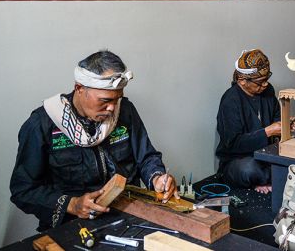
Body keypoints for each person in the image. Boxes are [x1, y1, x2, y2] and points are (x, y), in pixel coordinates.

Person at [10, 50, 177, 231]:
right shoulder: (43, 124)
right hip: (72, 226)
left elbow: (146, 157)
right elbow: (23, 190)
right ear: (79, 88)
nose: (112, 108)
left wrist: (157, 178)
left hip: (128, 216)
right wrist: (72, 204)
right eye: (105, 100)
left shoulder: (125, 111)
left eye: (117, 99)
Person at [216, 49, 281, 194]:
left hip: (265, 155)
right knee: (249, 169)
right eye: (260, 82)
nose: (265, 84)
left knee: (294, 158)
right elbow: (233, 144)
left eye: (266, 79)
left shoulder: (267, 91)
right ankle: (266, 178)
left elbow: (277, 118)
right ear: (242, 81)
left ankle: (265, 179)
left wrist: (288, 126)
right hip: (238, 160)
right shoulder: (230, 101)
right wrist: (267, 132)